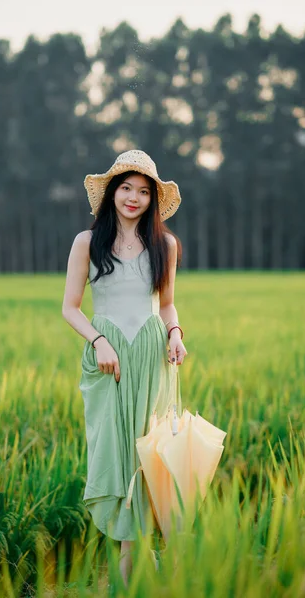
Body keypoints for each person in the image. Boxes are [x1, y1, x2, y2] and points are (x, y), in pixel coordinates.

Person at [62, 149, 187, 586]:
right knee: (115, 450)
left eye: (143, 191)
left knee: (149, 453)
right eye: (126, 188)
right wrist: (99, 341)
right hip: (108, 358)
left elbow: (167, 305)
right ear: (112, 192)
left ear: (153, 199)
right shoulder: (87, 242)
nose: (133, 198)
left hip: (152, 355)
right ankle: (133, 559)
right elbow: (70, 308)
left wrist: (176, 334)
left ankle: (143, 562)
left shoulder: (164, 245)